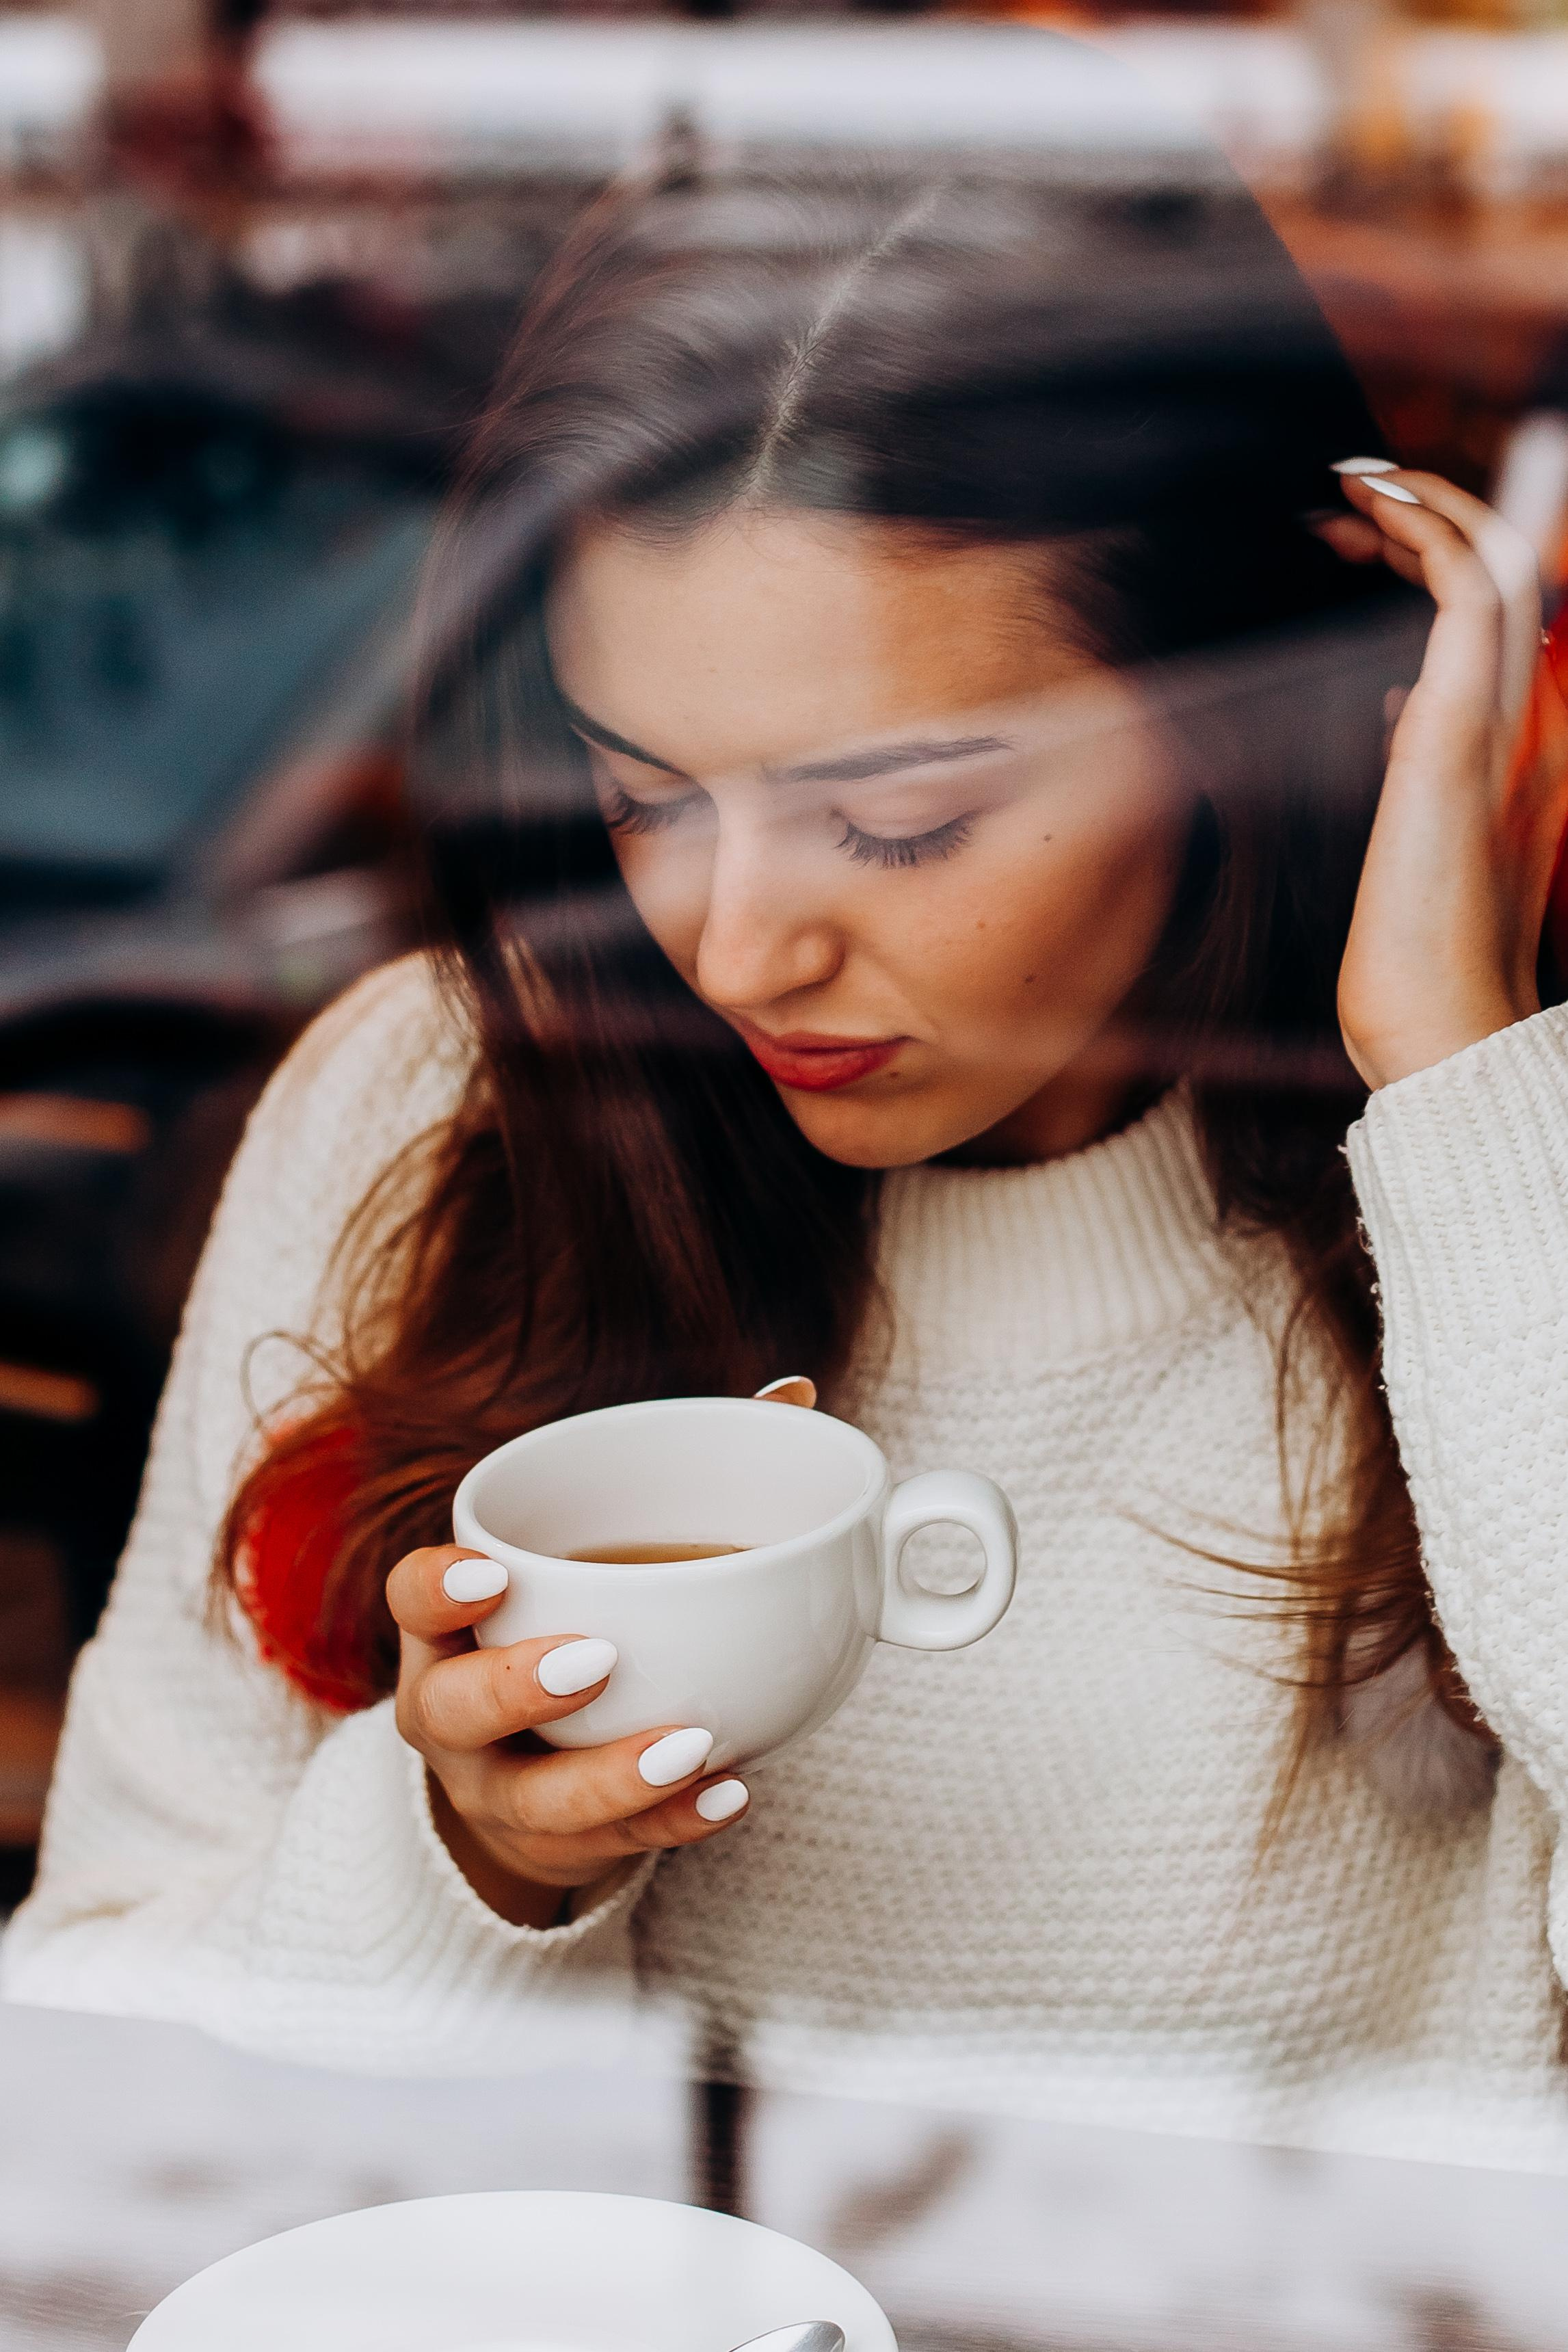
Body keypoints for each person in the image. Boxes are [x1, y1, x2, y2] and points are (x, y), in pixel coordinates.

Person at [8, 144, 1568, 2168]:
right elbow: (102, 2021)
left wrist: (1457, 1078)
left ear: (1258, 722)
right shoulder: (440, 1096)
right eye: (641, 795)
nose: (734, 952)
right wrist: (467, 1866)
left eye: (899, 821)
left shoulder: (1500, 1184)